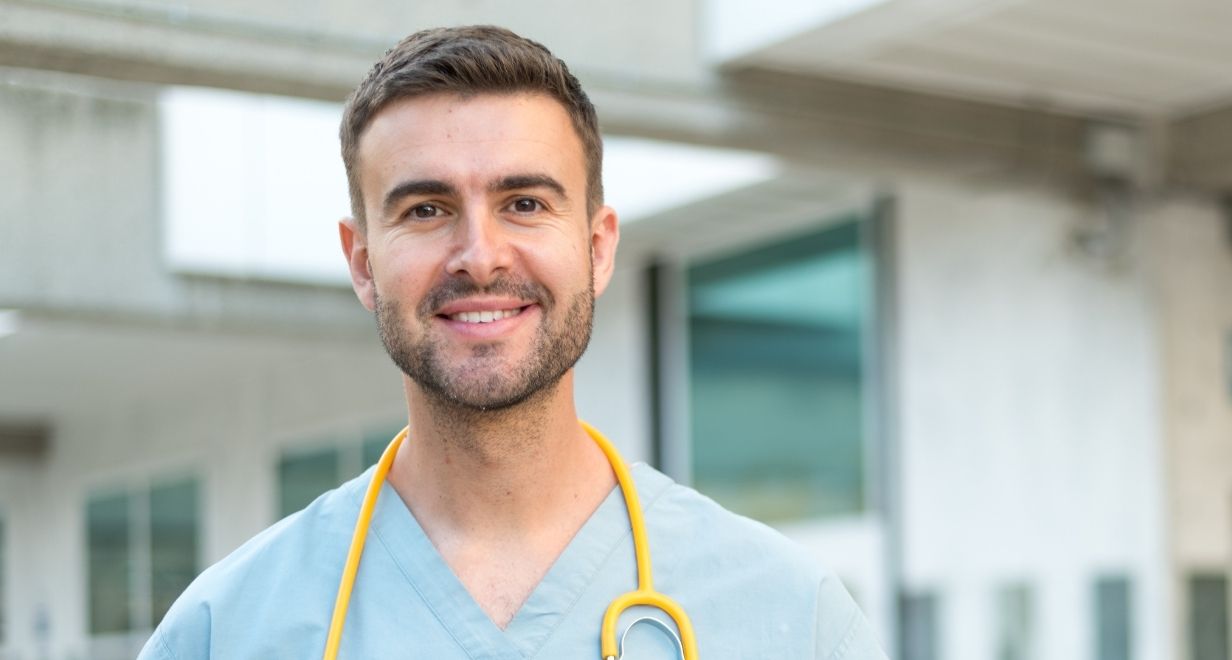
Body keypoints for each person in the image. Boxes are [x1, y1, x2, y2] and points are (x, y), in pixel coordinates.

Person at [141, 25, 887, 660]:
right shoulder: (228, 630)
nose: (480, 255)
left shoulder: (791, 619)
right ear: (363, 263)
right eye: (427, 209)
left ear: (597, 248)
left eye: (524, 203)